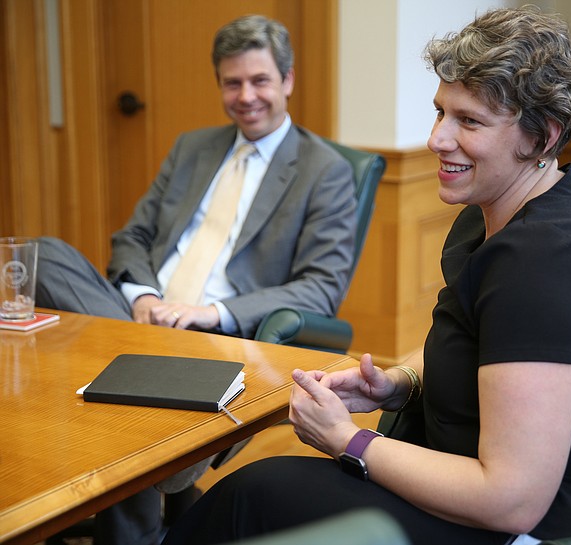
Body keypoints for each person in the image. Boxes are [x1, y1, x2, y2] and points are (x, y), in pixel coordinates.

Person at [162, 6, 571, 545]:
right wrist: (398, 384)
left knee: (255, 498)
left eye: (469, 121)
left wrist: (348, 440)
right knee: (256, 495)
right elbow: (478, 345)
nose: (438, 138)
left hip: (570, 526)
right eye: (441, 112)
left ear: (542, 137)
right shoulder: (494, 219)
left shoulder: (548, 264)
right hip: (497, 490)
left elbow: (511, 500)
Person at [36, 14, 356, 545]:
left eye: (260, 81)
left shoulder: (324, 170)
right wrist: (143, 296)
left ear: (289, 81)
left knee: (120, 386)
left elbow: (321, 286)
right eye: (233, 83)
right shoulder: (193, 148)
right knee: (44, 254)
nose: (246, 96)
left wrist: (211, 314)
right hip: (133, 317)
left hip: (214, 340)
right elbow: (132, 238)